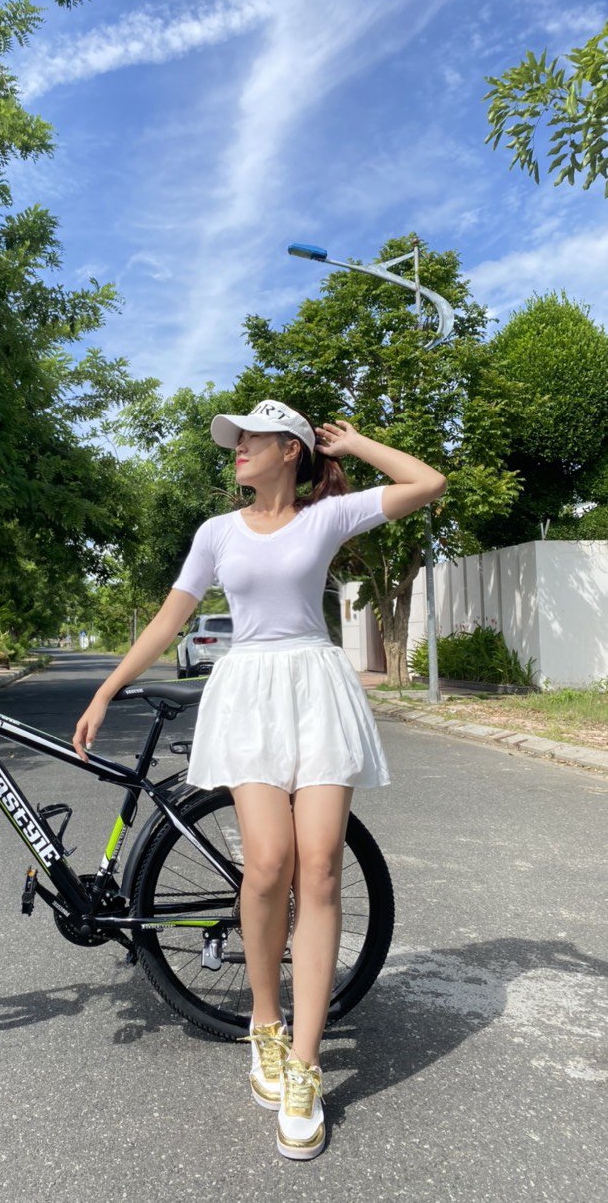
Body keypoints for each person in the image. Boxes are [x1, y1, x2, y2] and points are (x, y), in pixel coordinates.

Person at [72, 398, 446, 1161]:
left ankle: (304, 1066)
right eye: (236, 440)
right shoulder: (217, 532)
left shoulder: (326, 518)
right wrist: (107, 688)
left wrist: (357, 444)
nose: (238, 448)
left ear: (290, 449)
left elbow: (428, 483)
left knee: (322, 868)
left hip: (316, 689)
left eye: (251, 438)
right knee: (269, 864)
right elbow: (170, 619)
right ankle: (265, 1023)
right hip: (248, 694)